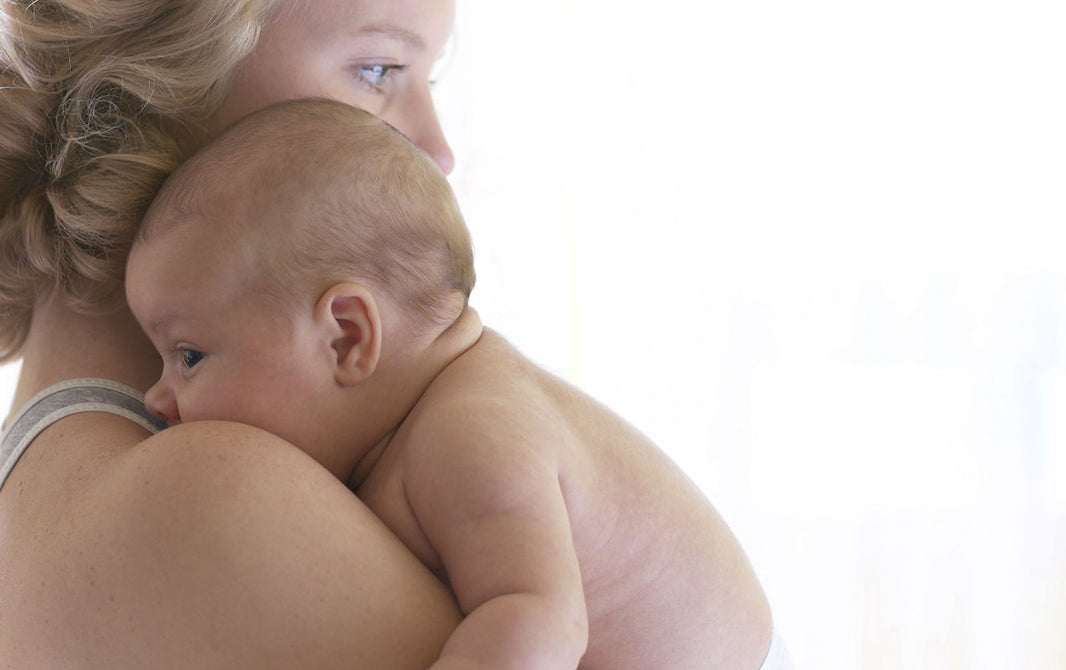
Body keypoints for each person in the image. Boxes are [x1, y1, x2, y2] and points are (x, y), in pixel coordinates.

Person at [128, 98, 787, 670]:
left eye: (189, 355)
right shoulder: (413, 424)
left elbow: (538, 619)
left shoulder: (468, 434)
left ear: (348, 337)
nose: (156, 397)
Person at [0, 1, 468, 667]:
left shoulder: (65, 474)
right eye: (377, 68)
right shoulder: (197, 496)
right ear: (159, 74)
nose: (439, 149)